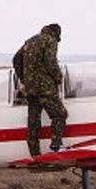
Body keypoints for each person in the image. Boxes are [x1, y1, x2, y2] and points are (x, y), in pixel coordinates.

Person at [13, 24, 68, 156]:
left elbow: (16, 59)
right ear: (56, 34)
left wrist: (25, 78)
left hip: (31, 89)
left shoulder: (30, 41)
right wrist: (58, 77)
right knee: (60, 114)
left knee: (33, 121)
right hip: (45, 88)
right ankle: (56, 145)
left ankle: (35, 154)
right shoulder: (50, 40)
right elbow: (50, 62)